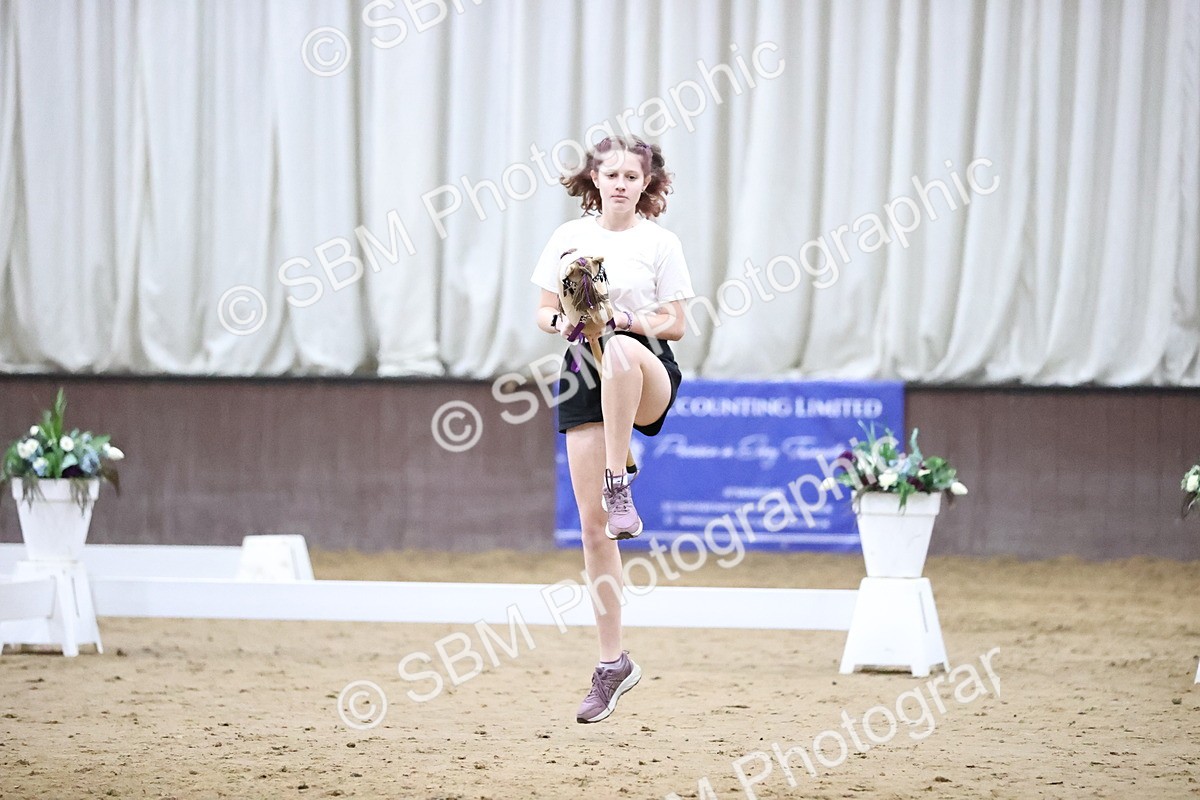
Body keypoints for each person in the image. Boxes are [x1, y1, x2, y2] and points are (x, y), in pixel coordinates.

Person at [529, 135, 695, 723]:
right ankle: (611, 664)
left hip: (644, 365)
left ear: (647, 183)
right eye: (612, 173)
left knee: (621, 351)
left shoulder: (660, 242)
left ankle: (618, 476)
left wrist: (621, 316)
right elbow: (545, 310)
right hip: (581, 368)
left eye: (633, 174)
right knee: (594, 532)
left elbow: (676, 321)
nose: (622, 182)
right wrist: (567, 321)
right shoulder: (567, 240)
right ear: (594, 180)